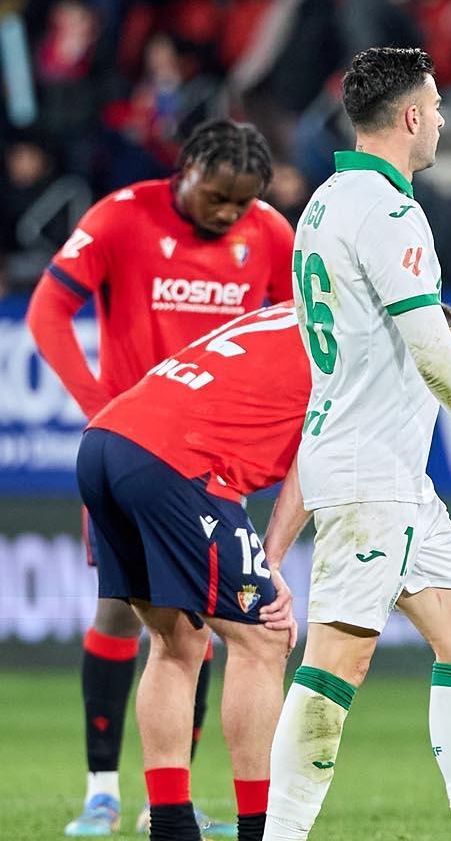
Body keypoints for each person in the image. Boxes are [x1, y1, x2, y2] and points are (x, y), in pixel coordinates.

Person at [263, 47, 451, 841]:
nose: (442, 120)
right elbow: (434, 363)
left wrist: (436, 334)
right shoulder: (393, 212)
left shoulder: (326, 202)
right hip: (371, 473)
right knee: (335, 663)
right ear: (408, 118)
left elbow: (384, 330)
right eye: (435, 108)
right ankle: (281, 836)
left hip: (384, 467)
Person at [77, 300, 451, 841]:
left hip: (106, 440)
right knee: (264, 638)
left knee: (175, 642)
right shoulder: (369, 352)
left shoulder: (310, 310)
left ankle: (170, 824)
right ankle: (261, 829)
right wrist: (272, 559)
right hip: (176, 460)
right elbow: (316, 460)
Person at [28, 118, 292, 840]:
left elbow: (299, 320)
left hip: (211, 453)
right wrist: (94, 402)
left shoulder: (270, 233)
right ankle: (102, 791)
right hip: (139, 440)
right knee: (128, 616)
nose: (228, 214)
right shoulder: (121, 215)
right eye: (217, 197)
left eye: (242, 203)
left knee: (192, 628)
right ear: (186, 171)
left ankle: (163, 803)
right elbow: (48, 312)